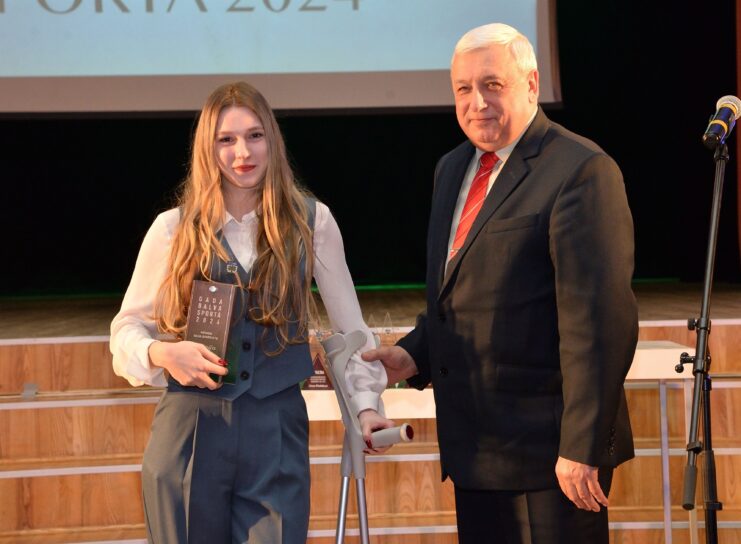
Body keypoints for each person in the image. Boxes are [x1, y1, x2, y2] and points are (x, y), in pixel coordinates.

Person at [362, 23, 638, 543]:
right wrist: (413, 355)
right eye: (464, 88)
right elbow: (462, 296)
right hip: (477, 451)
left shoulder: (580, 170)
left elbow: (601, 325)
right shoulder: (452, 169)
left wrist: (581, 447)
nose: (477, 102)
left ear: (531, 84)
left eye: (492, 84)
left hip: (552, 460)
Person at [110, 81, 392, 544]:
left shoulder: (312, 222)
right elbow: (126, 329)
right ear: (208, 148)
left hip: (276, 429)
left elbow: (351, 334)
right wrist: (163, 353)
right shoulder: (172, 229)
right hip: (189, 429)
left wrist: (366, 407)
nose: (242, 152)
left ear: (272, 140)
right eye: (227, 139)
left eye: (254, 136)